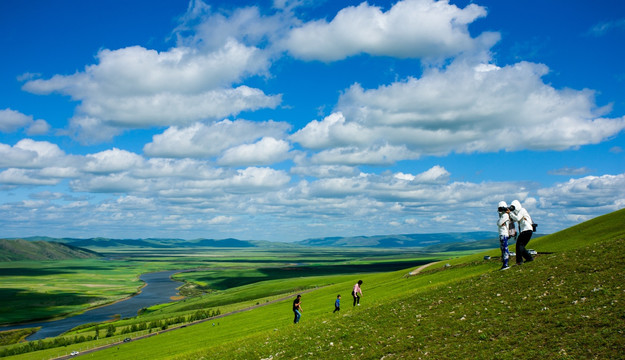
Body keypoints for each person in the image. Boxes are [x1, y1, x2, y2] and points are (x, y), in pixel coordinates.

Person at [507, 199, 534, 265]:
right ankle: (529, 258)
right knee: (521, 246)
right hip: (526, 230)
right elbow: (514, 220)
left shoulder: (522, 210)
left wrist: (510, 213)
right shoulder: (517, 212)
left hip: (526, 230)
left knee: (519, 245)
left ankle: (519, 261)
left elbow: (518, 218)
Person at [497, 201, 511, 270]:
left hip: (504, 234)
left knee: (504, 249)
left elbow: (499, 223)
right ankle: (505, 263)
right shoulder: (503, 215)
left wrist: (499, 221)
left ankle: (506, 264)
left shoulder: (505, 215)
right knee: (503, 249)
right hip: (503, 234)